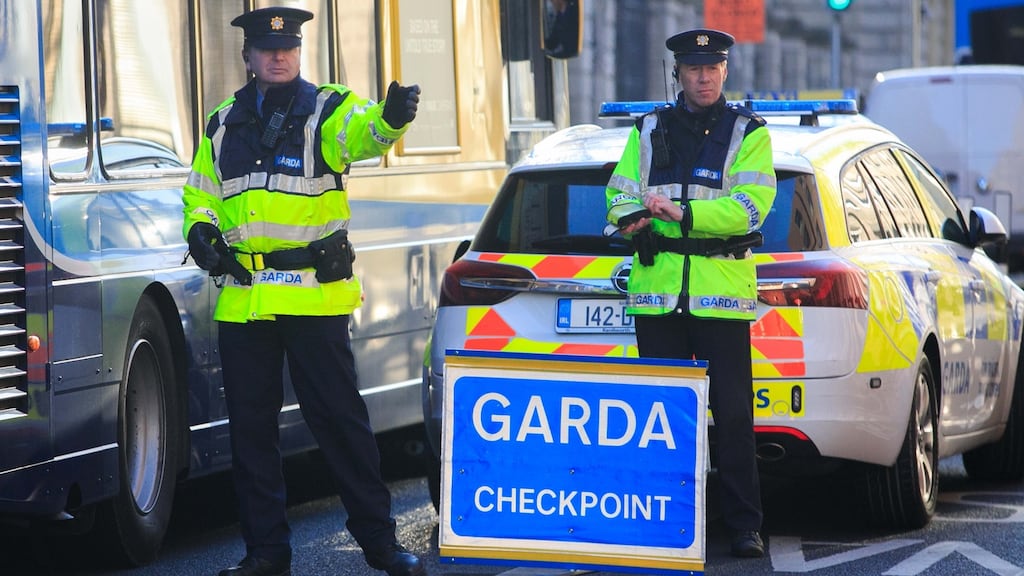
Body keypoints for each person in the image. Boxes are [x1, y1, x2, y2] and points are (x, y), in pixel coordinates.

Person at [182, 7, 424, 576]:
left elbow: (363, 134)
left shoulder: (327, 108)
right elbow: (199, 193)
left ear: (298, 51)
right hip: (246, 300)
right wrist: (199, 230)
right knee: (252, 436)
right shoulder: (221, 122)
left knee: (342, 425)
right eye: (267, 48)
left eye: (287, 47)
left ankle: (381, 545)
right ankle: (266, 553)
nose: (278, 55)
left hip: (314, 297)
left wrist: (390, 119)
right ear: (248, 57)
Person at [604, 28, 776, 558]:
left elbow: (751, 207)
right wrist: (630, 220)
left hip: (719, 293)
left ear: (725, 71)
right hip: (657, 296)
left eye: (713, 67)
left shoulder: (749, 132)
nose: (703, 77)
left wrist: (686, 215)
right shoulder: (648, 128)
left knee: (733, 416)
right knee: (664, 417)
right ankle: (672, 525)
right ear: (677, 73)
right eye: (693, 69)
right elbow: (616, 195)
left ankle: (745, 525)